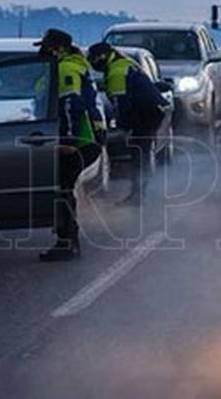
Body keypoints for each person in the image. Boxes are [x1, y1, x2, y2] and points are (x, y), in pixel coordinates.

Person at [35, 28, 103, 261]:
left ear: (59, 49)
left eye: (47, 47)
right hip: (82, 139)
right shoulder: (70, 66)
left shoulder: (66, 69)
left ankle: (66, 242)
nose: (43, 51)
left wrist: (68, 142)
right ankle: (67, 238)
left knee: (62, 189)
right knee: (63, 188)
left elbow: (71, 105)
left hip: (78, 141)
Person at [88, 41, 166, 204]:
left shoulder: (117, 71)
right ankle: (141, 192)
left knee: (139, 153)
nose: (92, 63)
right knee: (141, 152)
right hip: (151, 110)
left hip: (146, 113)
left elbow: (121, 104)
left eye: (93, 59)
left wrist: (124, 126)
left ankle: (138, 194)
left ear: (102, 57)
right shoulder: (122, 63)